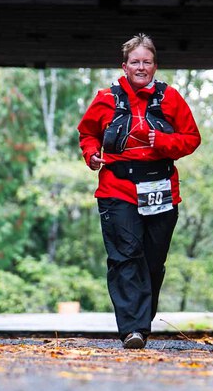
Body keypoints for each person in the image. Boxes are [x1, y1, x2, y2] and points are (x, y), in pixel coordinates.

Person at [77, 34, 201, 349]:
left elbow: (191, 138)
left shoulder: (170, 98)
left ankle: (141, 322)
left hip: (160, 187)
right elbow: (88, 132)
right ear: (125, 66)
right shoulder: (105, 97)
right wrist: (90, 154)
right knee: (125, 256)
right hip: (117, 187)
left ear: (155, 66)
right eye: (135, 62)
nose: (141, 67)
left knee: (152, 260)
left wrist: (161, 142)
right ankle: (132, 328)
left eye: (146, 62)